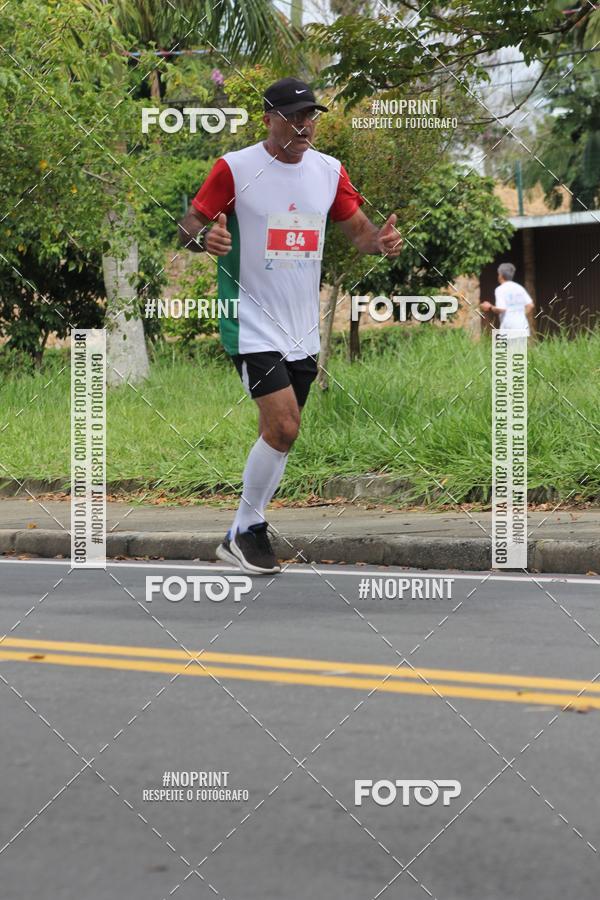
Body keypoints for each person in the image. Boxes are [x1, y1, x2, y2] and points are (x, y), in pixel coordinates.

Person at [178, 76, 403, 574]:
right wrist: (204, 242)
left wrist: (381, 242)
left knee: (279, 434)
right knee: (284, 425)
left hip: (303, 328)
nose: (304, 126)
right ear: (269, 120)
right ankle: (249, 529)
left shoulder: (328, 171)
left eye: (311, 116)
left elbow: (359, 232)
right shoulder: (234, 169)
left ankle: (238, 534)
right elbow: (188, 226)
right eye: (294, 117)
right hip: (250, 321)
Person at [481, 262, 534, 334]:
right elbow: (530, 305)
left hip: (508, 326)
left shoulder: (500, 289)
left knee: (503, 345)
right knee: (519, 346)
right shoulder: (519, 287)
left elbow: (501, 309)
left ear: (501, 275)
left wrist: (490, 306)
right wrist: (520, 315)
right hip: (522, 325)